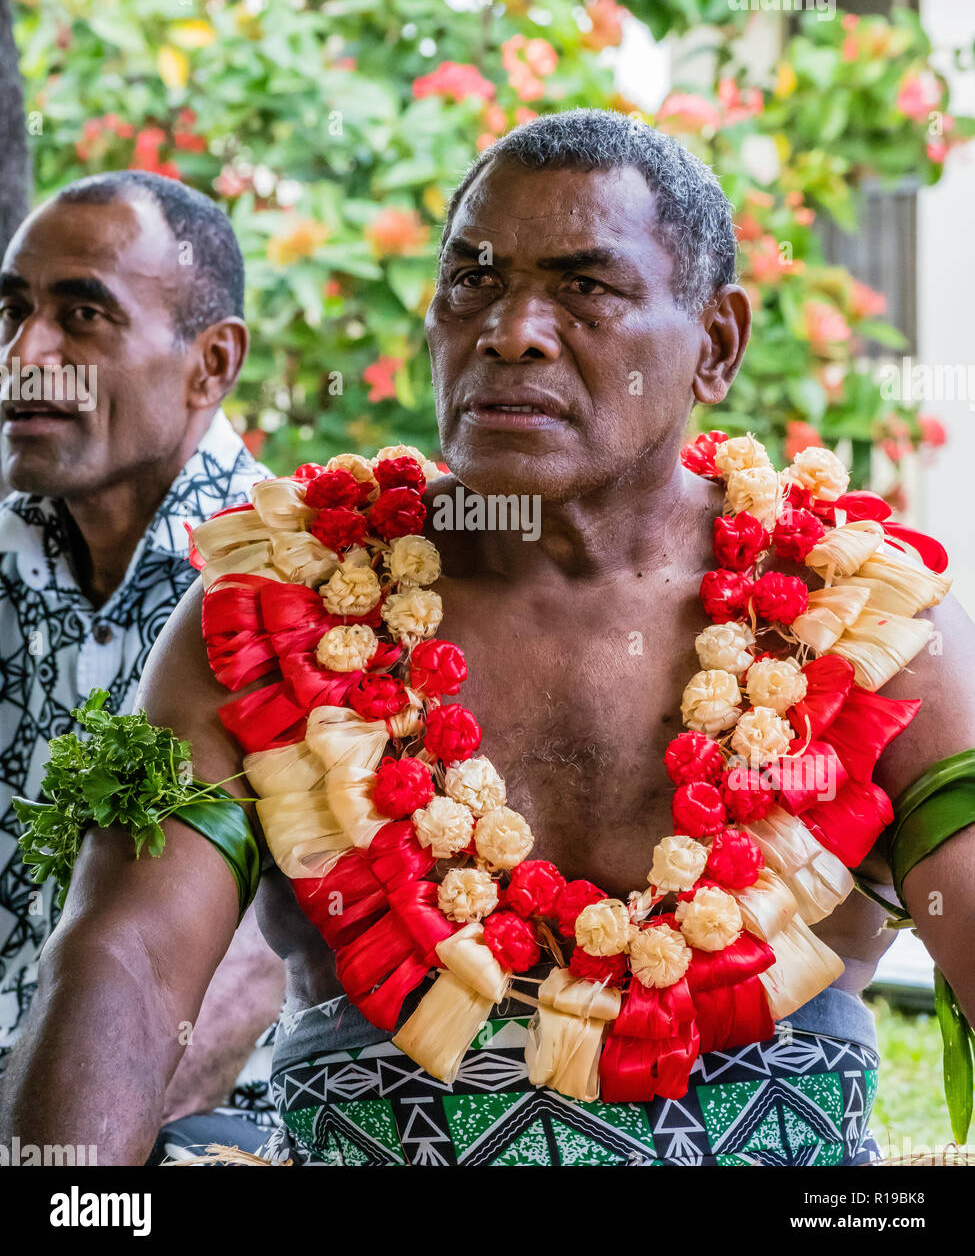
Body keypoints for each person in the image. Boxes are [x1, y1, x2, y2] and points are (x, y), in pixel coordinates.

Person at [3, 112, 974, 1167]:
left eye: (584, 287)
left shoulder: (866, 625)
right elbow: (129, 963)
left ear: (717, 344)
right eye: (472, 280)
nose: (511, 330)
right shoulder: (278, 615)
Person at [0, 171, 284, 1146]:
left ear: (211, 363)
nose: (25, 355)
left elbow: (243, 983)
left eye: (82, 315)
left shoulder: (307, 598)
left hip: (202, 1124)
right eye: (13, 310)